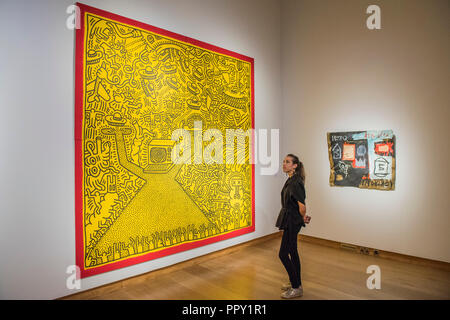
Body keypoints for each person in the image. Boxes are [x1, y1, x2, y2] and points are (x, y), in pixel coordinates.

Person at [276, 154, 311, 299]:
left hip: (292, 220)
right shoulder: (291, 179)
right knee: (293, 252)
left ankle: (296, 287)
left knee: (283, 254)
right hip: (290, 219)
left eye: (287, 162)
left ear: (295, 165)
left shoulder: (295, 182)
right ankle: (296, 283)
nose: (284, 164)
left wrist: (302, 217)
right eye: (284, 161)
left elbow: (302, 206)